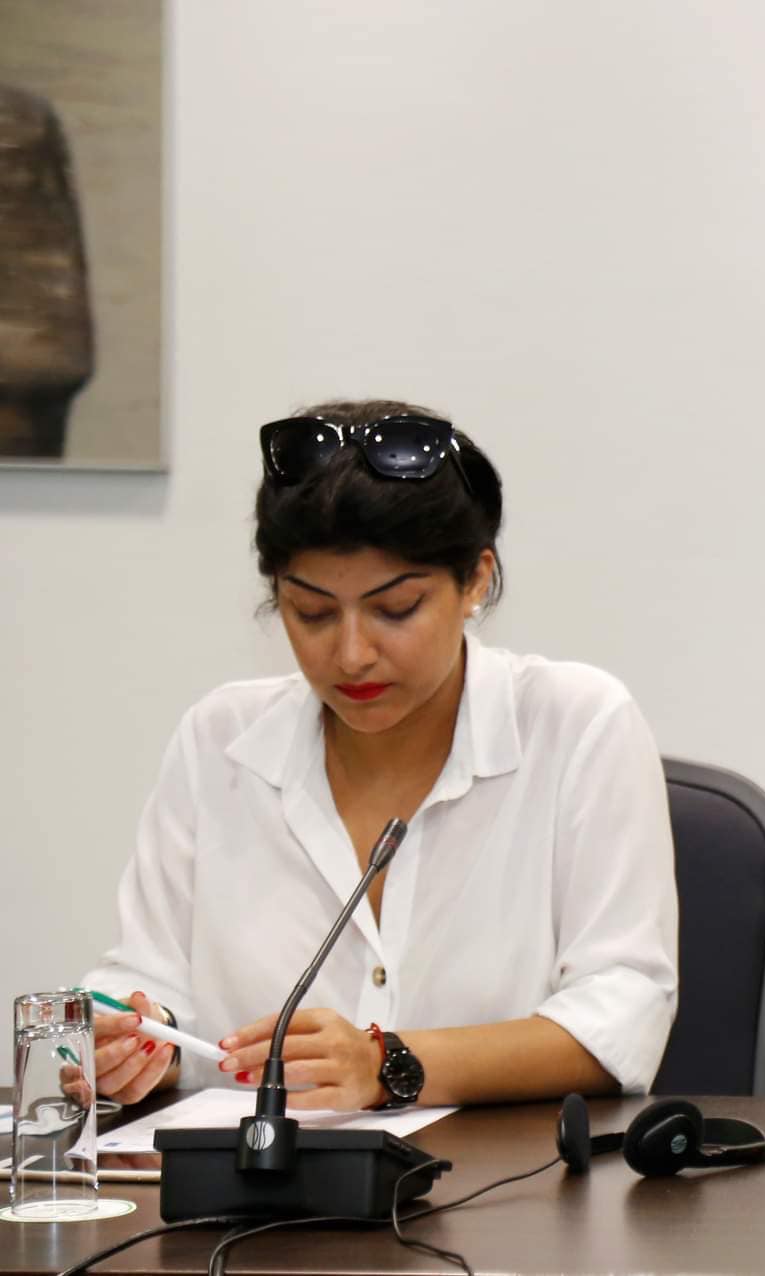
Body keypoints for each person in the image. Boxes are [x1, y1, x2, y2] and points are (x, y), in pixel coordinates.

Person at [85, 400, 678, 1111]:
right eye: (311, 612)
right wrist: (133, 1041)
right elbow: (144, 977)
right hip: (250, 1172)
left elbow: (623, 1012)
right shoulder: (219, 740)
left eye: (396, 609)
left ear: (476, 580)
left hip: (503, 1176)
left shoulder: (578, 725)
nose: (351, 654)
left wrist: (389, 1063)